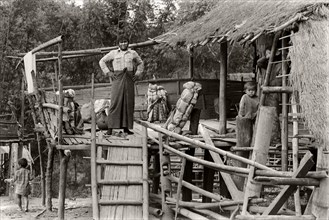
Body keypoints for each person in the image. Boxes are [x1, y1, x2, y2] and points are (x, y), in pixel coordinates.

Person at [99, 36, 144, 135]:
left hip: (129, 78)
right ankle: (110, 128)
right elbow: (101, 61)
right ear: (118, 43)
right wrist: (108, 73)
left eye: (125, 42)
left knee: (128, 103)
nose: (123, 44)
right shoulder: (113, 53)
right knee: (115, 102)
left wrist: (137, 74)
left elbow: (141, 63)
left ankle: (126, 128)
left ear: (128, 43)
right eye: (121, 42)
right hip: (117, 79)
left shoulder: (133, 53)